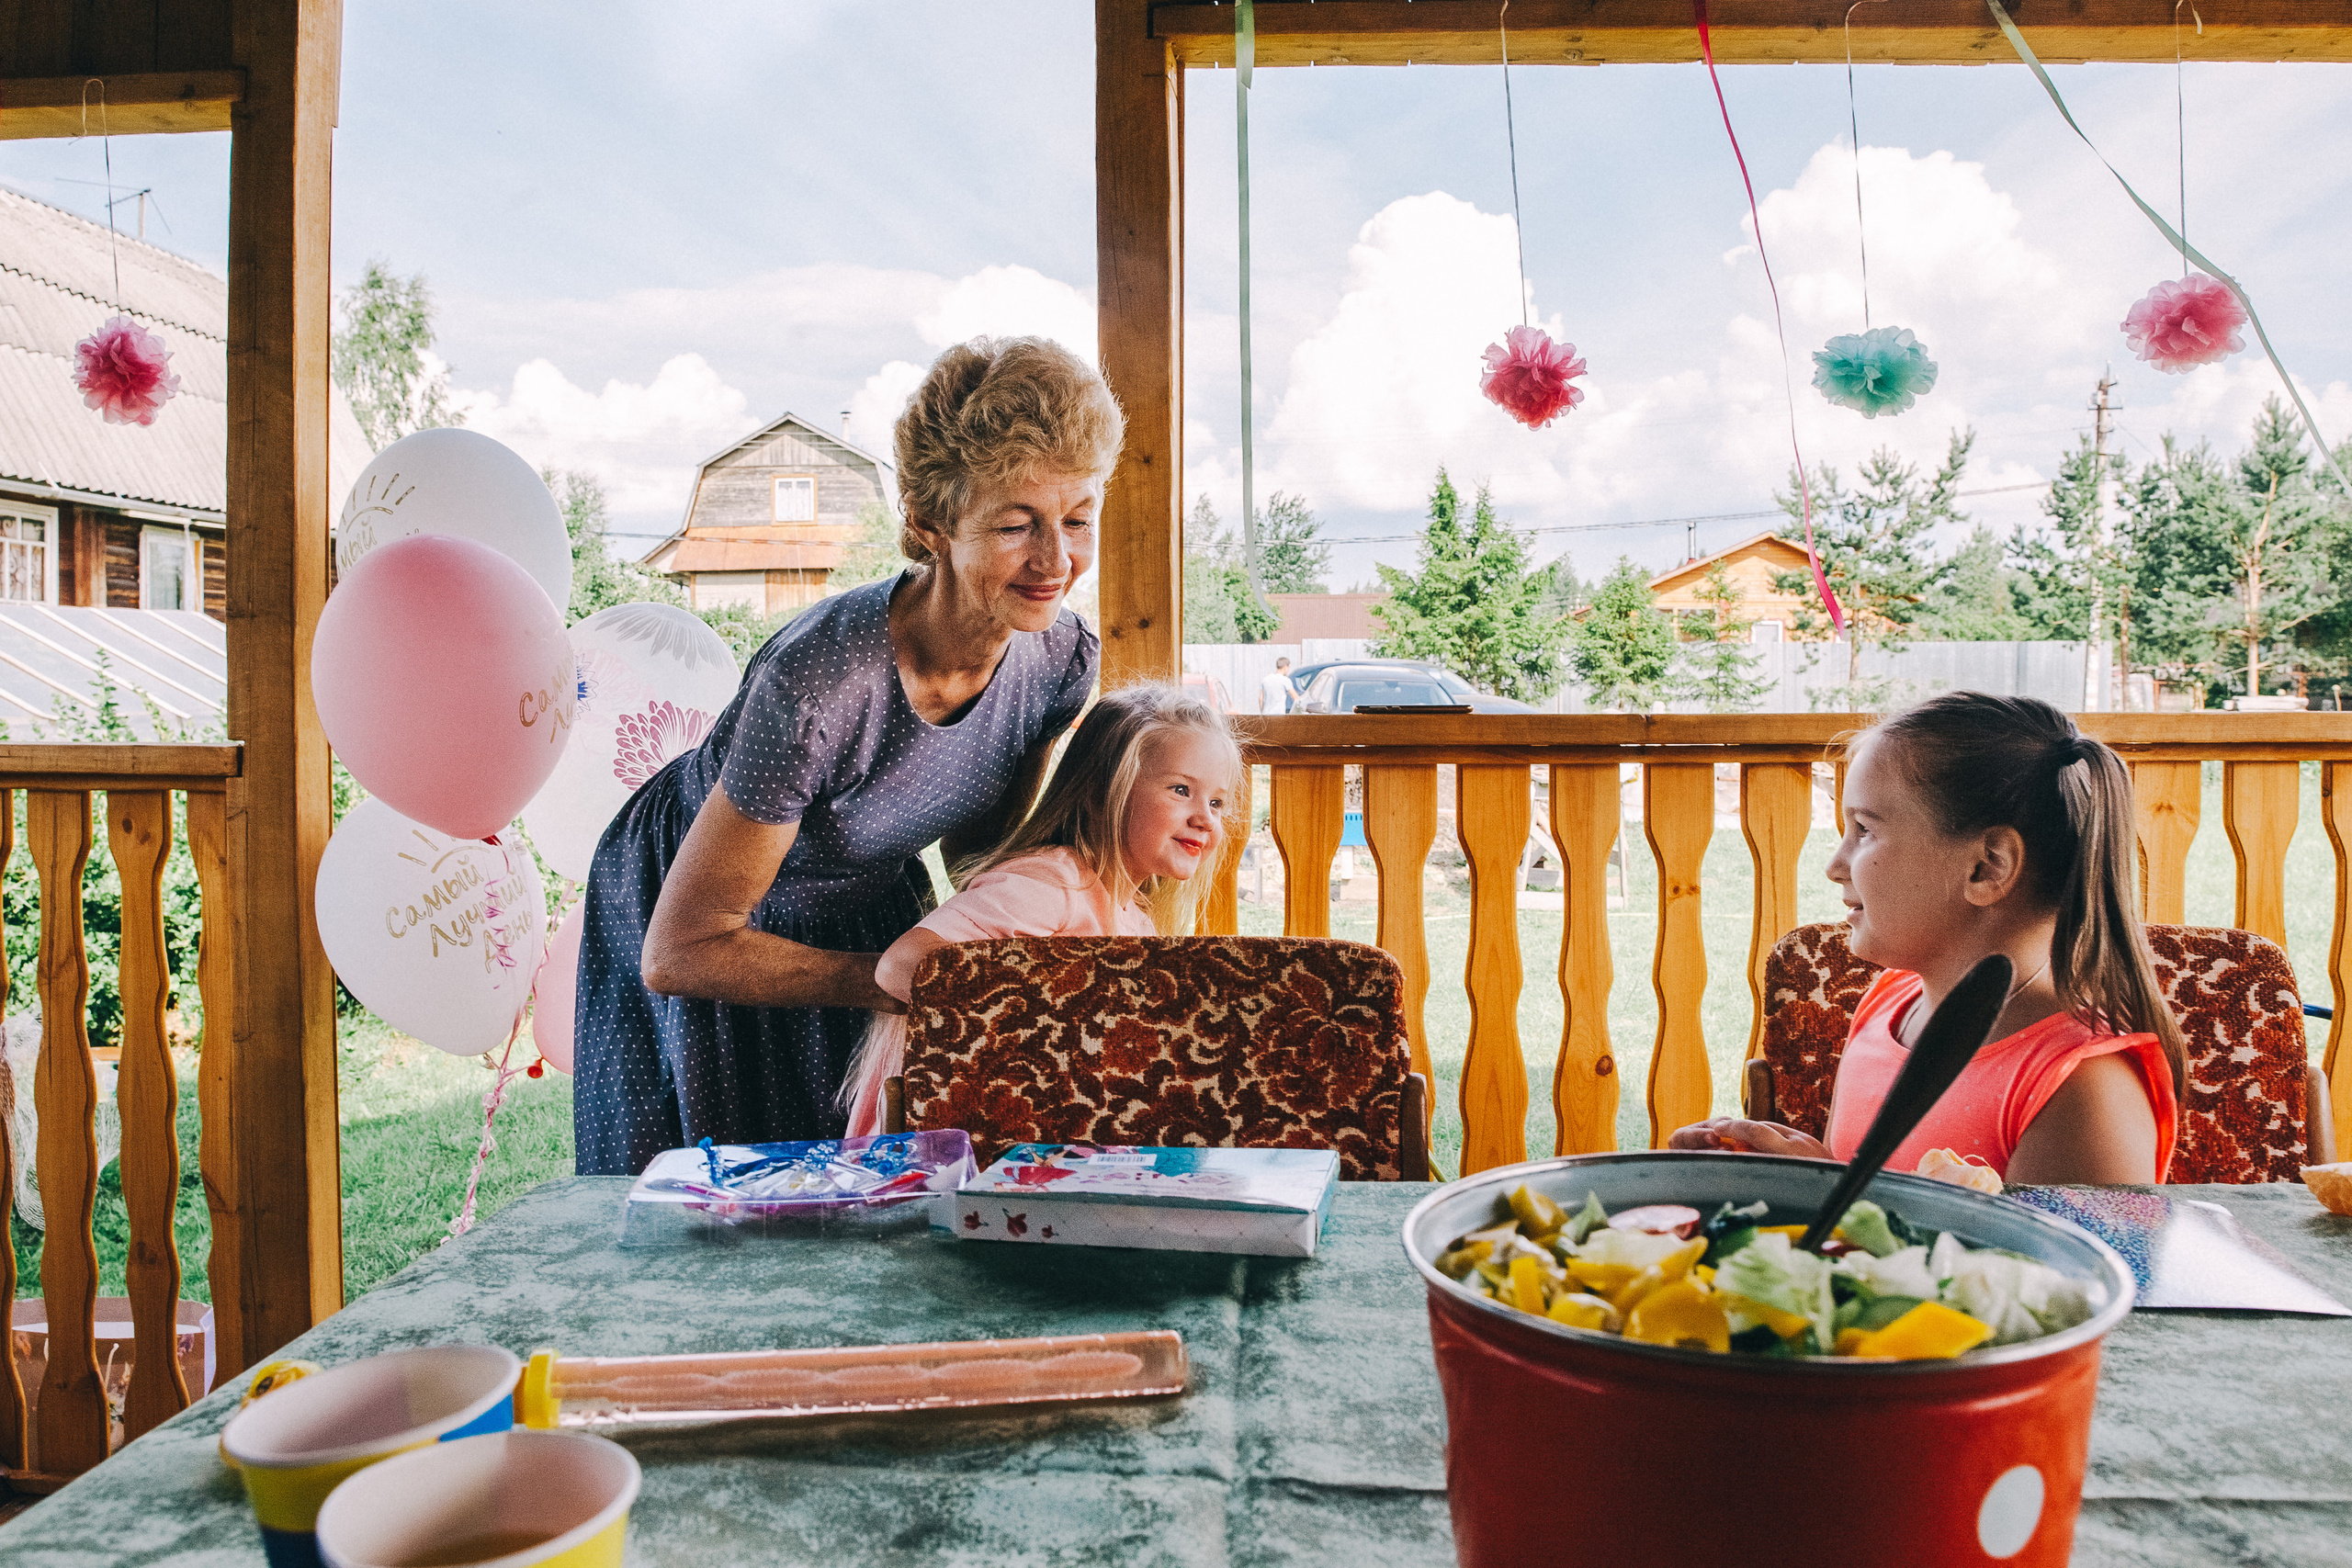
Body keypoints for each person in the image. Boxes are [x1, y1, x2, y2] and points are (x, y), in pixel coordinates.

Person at [571, 337, 1120, 1175]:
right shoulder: (818, 685)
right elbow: (679, 951)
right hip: (704, 902)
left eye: (1078, 518)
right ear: (930, 524)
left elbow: (981, 855)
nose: (1056, 560)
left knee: (871, 1178)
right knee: (731, 1202)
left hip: (864, 891)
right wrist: (891, 975)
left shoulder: (1061, 660)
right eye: (1016, 524)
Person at [1671, 693, 2182, 1185]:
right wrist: (1809, 1175)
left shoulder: (2083, 1090)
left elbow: (2050, 1274)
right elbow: (1871, 1207)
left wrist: (1829, 1192)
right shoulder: (1888, 1005)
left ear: (1987, 867)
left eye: (1865, 830)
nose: (1834, 866)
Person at [839, 682, 1241, 1135]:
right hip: (950, 1146)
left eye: (1217, 802)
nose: (1205, 818)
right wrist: (1035, 1030)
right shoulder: (1053, 883)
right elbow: (901, 966)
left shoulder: (1135, 917)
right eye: (1181, 790)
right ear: (1101, 792)